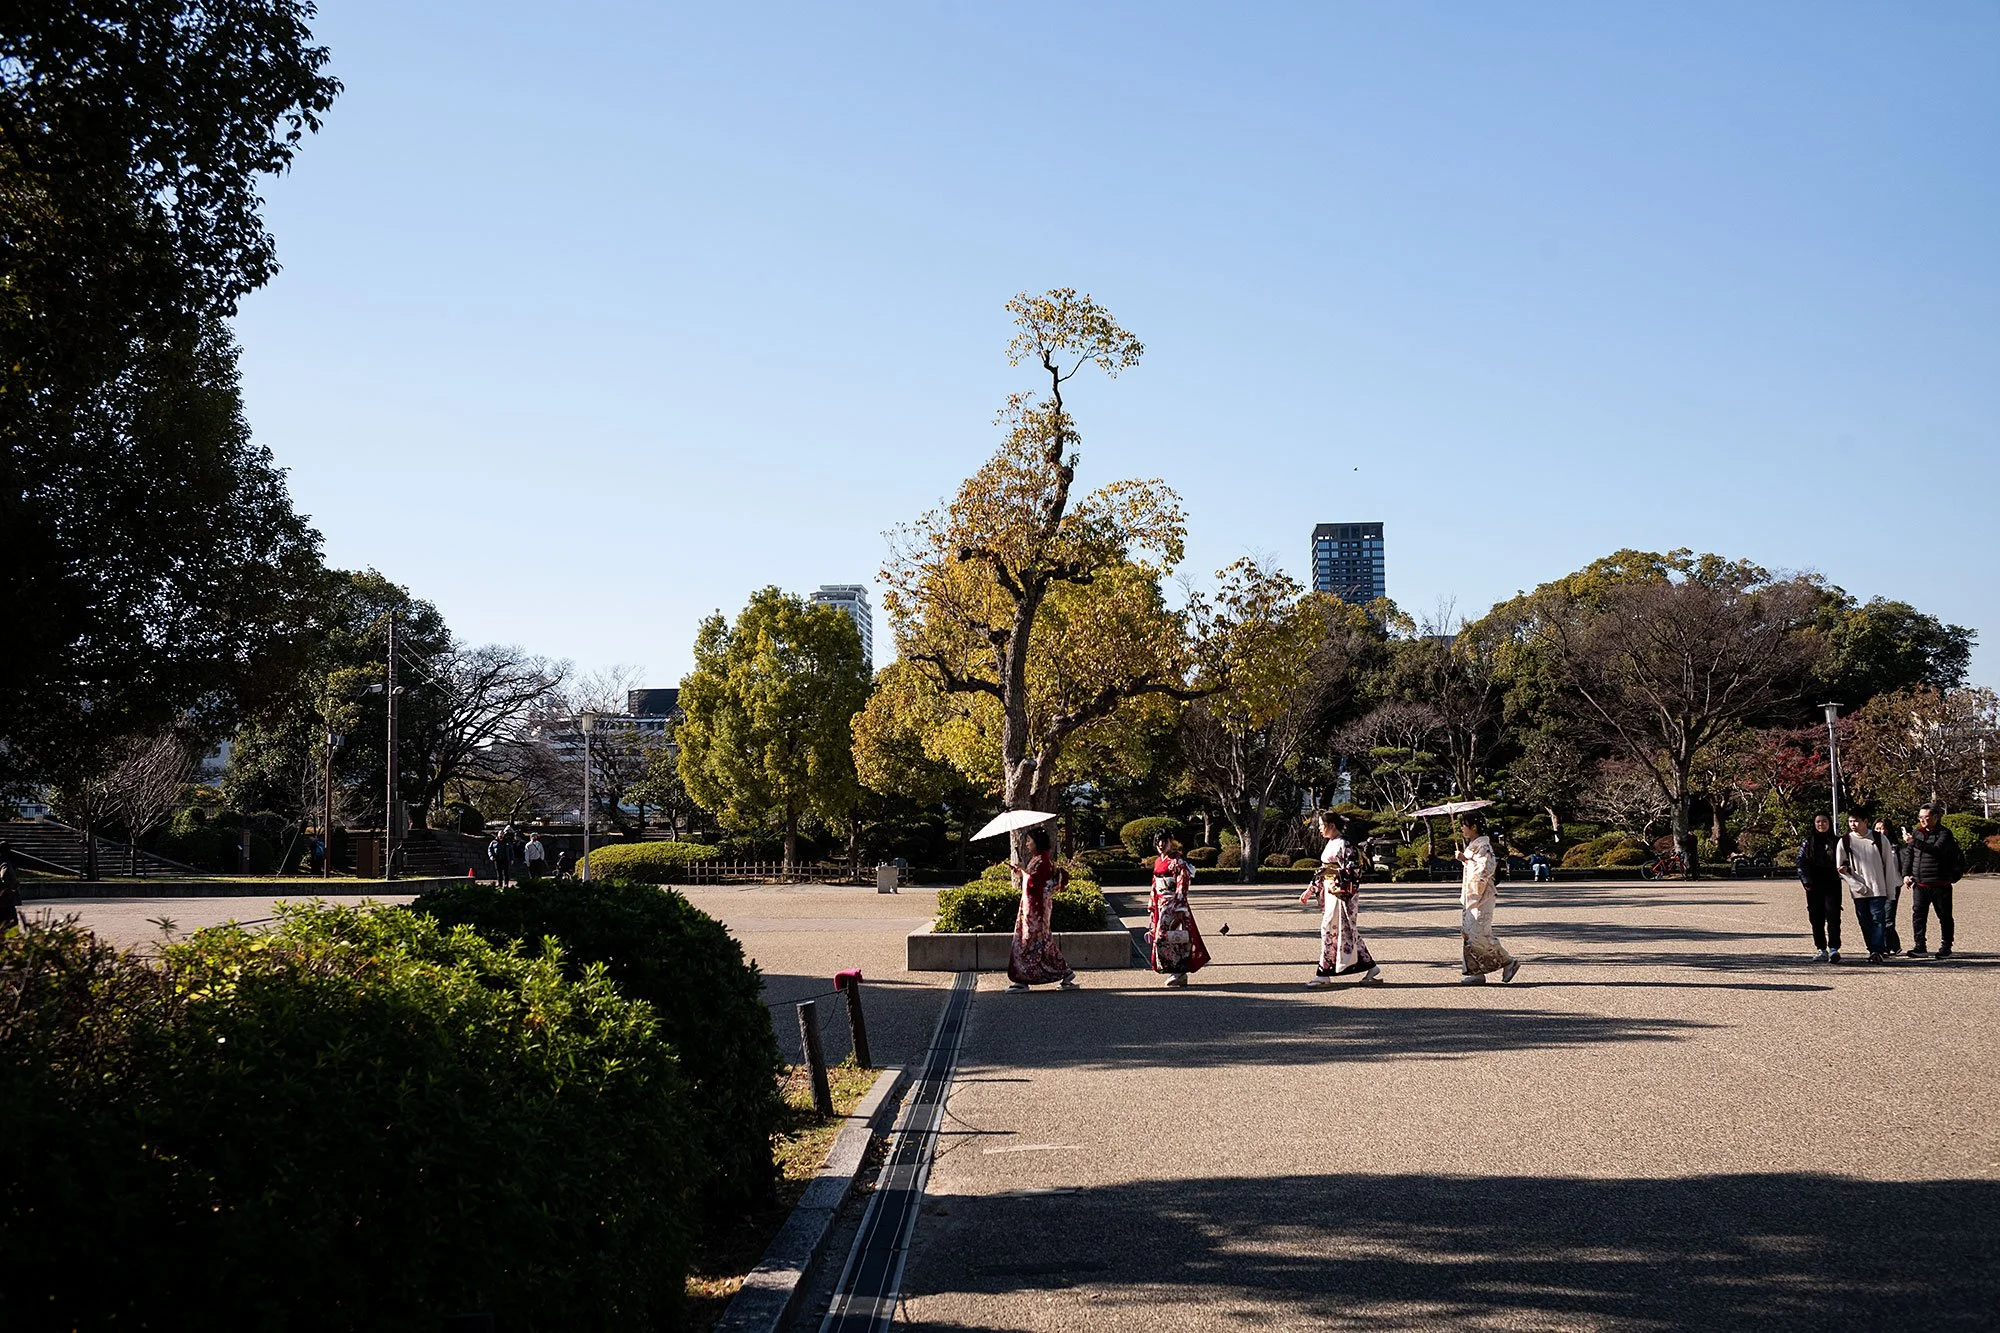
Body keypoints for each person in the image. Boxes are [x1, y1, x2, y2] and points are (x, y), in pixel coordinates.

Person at [1307, 810, 1382, 988]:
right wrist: (1311, 888)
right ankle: (1370, 965)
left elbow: (1354, 869)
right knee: (1344, 930)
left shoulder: (1345, 844)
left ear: (1331, 826)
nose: (1319, 829)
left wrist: (1333, 872)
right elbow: (1324, 869)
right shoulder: (1332, 844)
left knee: (1330, 929)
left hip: (1341, 894)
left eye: (1321, 826)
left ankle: (1323, 973)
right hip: (1330, 890)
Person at [1007, 826, 1079, 992]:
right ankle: (1064, 973)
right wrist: (1021, 872)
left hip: (1036, 910)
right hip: (1033, 908)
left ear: (1036, 842)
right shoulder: (1039, 859)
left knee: (1029, 941)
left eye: (1029, 840)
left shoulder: (1041, 861)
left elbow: (1034, 885)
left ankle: (1023, 979)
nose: (1026, 844)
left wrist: (1024, 873)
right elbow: (1033, 881)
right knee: (1039, 942)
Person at [1456, 816, 1520, 984]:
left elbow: (1486, 869)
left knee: (1479, 934)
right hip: (1473, 895)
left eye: (1464, 825)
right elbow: (1474, 865)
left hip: (1482, 895)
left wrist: (1465, 860)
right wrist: (1466, 860)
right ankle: (1476, 971)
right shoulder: (1474, 845)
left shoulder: (1483, 846)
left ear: (1474, 826)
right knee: (1469, 934)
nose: (1462, 828)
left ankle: (1508, 961)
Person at [1836, 812, 1900, 963]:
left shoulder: (1879, 838)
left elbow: (1889, 866)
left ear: (1865, 821)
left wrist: (1890, 891)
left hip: (1878, 887)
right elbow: (1839, 868)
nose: (1853, 824)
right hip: (1858, 890)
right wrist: (1854, 884)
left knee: (1878, 918)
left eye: (1856, 821)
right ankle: (1871, 948)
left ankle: (1877, 950)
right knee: (1864, 920)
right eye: (1850, 821)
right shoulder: (1845, 841)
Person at [1148, 832, 1209, 987]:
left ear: (1170, 842)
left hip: (1173, 903)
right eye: (1158, 842)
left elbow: (1182, 883)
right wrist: (1152, 905)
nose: (1161, 844)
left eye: (1164, 841)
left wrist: (1180, 907)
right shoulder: (1157, 861)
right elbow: (1155, 885)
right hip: (1161, 903)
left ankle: (1179, 971)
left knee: (1171, 936)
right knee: (1164, 937)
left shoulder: (1177, 861)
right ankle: (1174, 970)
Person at [1903, 804, 1963, 960]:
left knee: (1944, 916)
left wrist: (1913, 842)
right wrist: (1906, 874)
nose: (1922, 820)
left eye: (1926, 817)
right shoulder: (1917, 833)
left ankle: (1946, 946)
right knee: (1918, 916)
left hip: (1940, 883)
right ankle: (1920, 946)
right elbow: (1909, 856)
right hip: (1920, 884)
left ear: (1936, 817)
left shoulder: (1944, 834)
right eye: (1920, 817)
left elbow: (1936, 850)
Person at [1795, 814, 1843, 962]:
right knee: (1816, 918)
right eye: (1818, 821)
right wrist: (1806, 881)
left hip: (1832, 883)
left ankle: (1834, 948)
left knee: (1833, 917)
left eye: (1824, 821)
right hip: (1813, 885)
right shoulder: (1808, 842)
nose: (1821, 824)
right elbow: (1801, 862)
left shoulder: (1837, 841)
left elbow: (1845, 859)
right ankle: (1821, 948)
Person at [1873, 818, 1905, 955]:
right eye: (1878, 828)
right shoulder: (1870, 845)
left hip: (1893, 885)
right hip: (1875, 886)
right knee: (1877, 917)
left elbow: (1902, 864)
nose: (1881, 831)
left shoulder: (1896, 848)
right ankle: (1894, 945)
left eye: (1883, 828)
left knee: (1888, 918)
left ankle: (1886, 946)